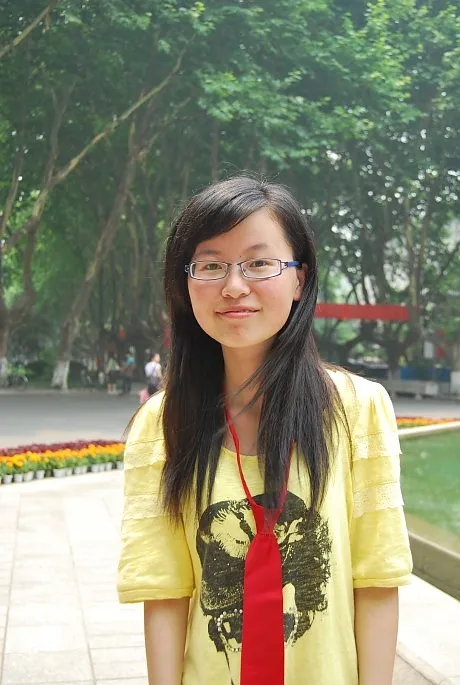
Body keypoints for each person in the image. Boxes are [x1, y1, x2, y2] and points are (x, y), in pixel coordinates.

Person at [117, 176, 412, 685]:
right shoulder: (162, 425)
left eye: (258, 263)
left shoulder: (358, 410)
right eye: (211, 265)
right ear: (185, 284)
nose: (234, 286)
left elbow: (377, 579)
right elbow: (165, 592)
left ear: (299, 279)